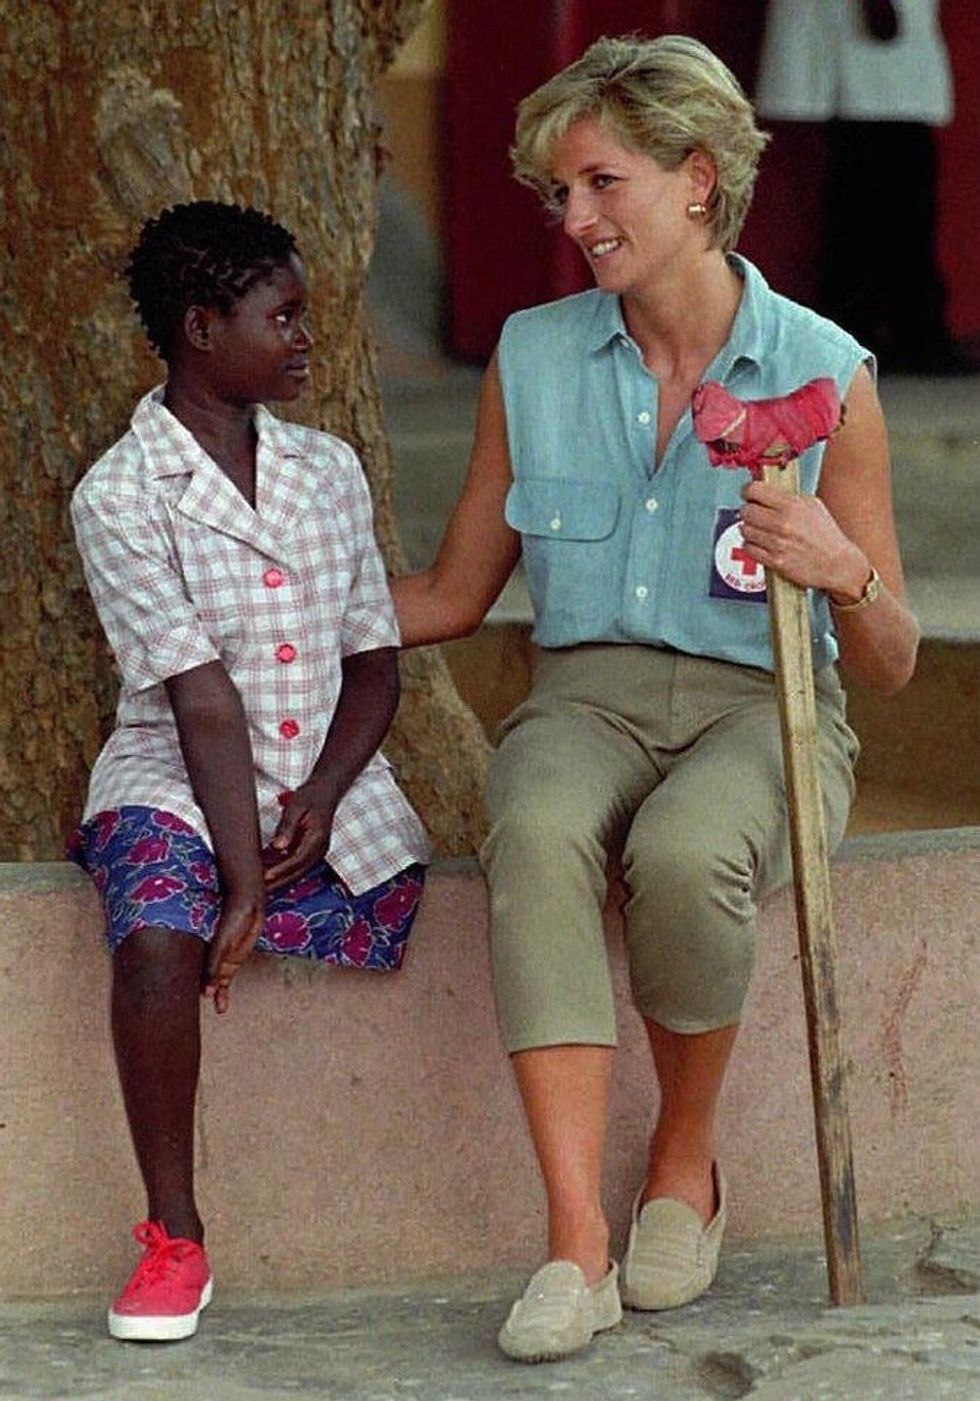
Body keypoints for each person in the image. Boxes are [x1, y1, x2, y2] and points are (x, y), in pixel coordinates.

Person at [392, 34, 918, 1364]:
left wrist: (840, 569)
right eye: (558, 192)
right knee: (536, 822)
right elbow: (454, 591)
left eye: (599, 184)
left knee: (687, 852)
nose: (573, 219)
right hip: (586, 693)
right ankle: (575, 1244)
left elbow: (891, 658)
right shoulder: (533, 356)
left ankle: (684, 1158)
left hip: (762, 702)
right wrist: (271, 614)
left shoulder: (825, 369)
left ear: (696, 179)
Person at [68, 201, 430, 1343]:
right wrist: (238, 881)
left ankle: (260, 878)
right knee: (156, 935)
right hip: (179, 775)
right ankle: (175, 1237)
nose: (306, 337)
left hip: (320, 774)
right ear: (200, 328)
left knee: (384, 890)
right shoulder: (120, 496)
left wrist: (323, 792)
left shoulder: (328, 470)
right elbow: (202, 700)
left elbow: (374, 662)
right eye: (282, 316)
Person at [756, 0, 974, 374]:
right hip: (869, 37)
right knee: (891, 195)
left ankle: (880, 329)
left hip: (871, 53)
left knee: (866, 192)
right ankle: (904, 333)